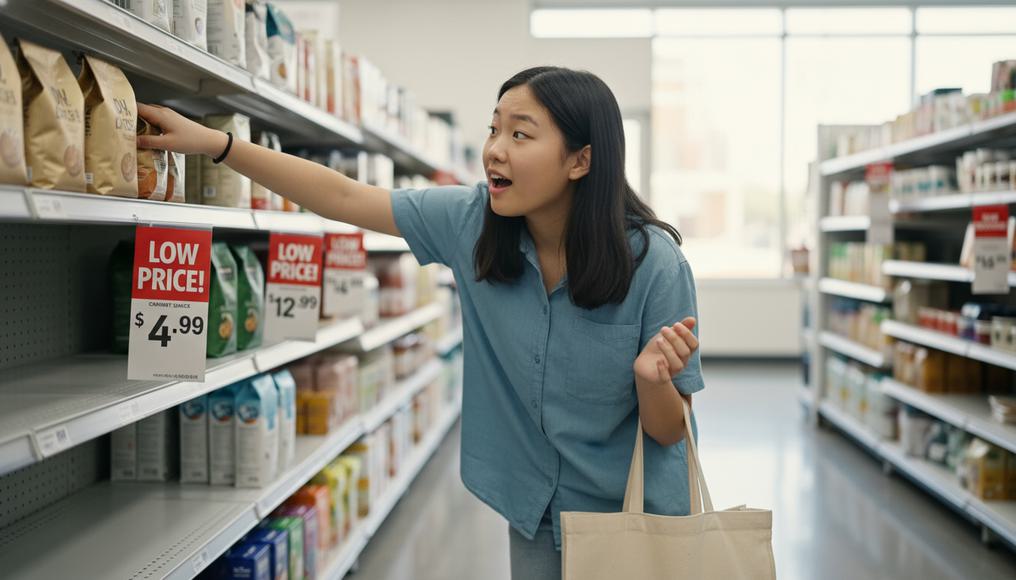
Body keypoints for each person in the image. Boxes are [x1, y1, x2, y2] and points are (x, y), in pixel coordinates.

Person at [137, 66, 703, 580]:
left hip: (635, 516)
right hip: (535, 508)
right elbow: (341, 196)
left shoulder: (653, 264)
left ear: (580, 160)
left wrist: (652, 382)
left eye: (521, 134)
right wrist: (217, 144)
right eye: (494, 129)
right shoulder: (472, 224)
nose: (494, 151)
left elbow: (669, 430)